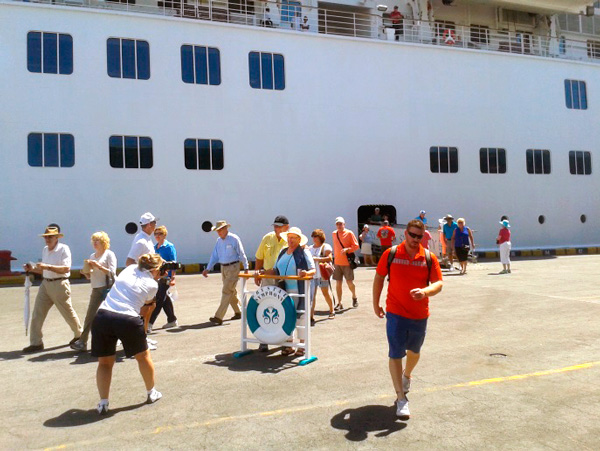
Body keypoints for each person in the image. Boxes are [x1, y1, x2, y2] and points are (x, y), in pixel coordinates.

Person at [372, 219, 443, 419]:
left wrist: (425, 291)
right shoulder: (391, 254)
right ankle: (401, 398)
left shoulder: (428, 258)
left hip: (419, 315)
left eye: (419, 236)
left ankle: (407, 375)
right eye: (412, 235)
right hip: (395, 312)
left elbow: (438, 284)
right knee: (395, 353)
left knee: (414, 352)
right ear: (406, 234)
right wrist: (375, 303)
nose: (415, 239)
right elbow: (378, 278)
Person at [91, 253, 164, 415]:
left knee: (104, 363)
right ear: (155, 270)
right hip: (128, 319)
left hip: (103, 315)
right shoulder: (152, 284)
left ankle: (103, 402)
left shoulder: (128, 269)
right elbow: (145, 308)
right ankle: (151, 392)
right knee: (143, 357)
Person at [23, 226, 82, 353]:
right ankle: (36, 342)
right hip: (46, 284)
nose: (47, 239)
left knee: (67, 313)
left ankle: (79, 335)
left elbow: (66, 268)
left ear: (57, 238)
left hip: (59, 284)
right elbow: (43, 269)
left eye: (50, 237)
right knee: (37, 313)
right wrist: (31, 268)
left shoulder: (64, 249)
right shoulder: (45, 250)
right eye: (45, 237)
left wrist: (47, 266)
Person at [268, 227, 315, 356]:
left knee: (300, 316)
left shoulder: (304, 251)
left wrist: (306, 273)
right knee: (285, 315)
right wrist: (263, 271)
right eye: (289, 238)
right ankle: (289, 343)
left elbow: (313, 269)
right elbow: (275, 269)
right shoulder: (283, 252)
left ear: (299, 239)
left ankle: (302, 345)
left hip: (299, 289)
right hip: (283, 289)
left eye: (293, 238)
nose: (290, 240)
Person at [71, 232, 117, 352]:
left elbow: (112, 272)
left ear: (103, 242)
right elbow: (91, 275)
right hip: (96, 288)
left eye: (97, 240)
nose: (95, 243)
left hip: (109, 287)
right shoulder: (92, 255)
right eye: (93, 240)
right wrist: (86, 272)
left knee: (112, 316)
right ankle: (83, 341)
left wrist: (98, 265)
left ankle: (116, 339)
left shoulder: (109, 254)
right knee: (90, 315)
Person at [254, 215, 289, 352]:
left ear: (287, 227)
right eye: (275, 226)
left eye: (279, 226)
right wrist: (257, 272)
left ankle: (286, 342)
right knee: (264, 306)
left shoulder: (291, 240)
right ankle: (264, 340)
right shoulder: (267, 237)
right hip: (267, 278)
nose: (276, 229)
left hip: (283, 279)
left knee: (284, 310)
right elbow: (259, 257)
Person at [203, 220, 249, 325]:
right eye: (217, 230)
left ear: (226, 229)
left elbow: (241, 253)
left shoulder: (234, 239)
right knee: (231, 291)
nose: (219, 232)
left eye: (220, 230)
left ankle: (219, 316)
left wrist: (246, 268)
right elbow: (214, 256)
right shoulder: (218, 241)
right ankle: (239, 312)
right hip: (223, 268)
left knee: (226, 291)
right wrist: (208, 268)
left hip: (233, 267)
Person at [148, 226, 178, 332]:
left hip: (167, 276)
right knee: (164, 298)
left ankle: (150, 323)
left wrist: (173, 277)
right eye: (155, 234)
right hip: (157, 276)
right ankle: (172, 320)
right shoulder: (154, 247)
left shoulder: (169, 247)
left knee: (159, 299)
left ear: (164, 235)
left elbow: (174, 263)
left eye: (159, 234)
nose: (157, 236)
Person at [332, 217, 360, 310]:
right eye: (337, 224)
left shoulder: (349, 233)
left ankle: (354, 296)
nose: (339, 226)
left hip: (347, 263)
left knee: (349, 283)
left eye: (340, 224)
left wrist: (348, 249)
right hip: (337, 262)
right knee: (338, 283)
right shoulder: (334, 233)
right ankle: (339, 303)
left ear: (344, 224)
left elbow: (356, 246)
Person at [308, 229, 335, 324]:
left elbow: (330, 258)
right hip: (313, 274)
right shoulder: (310, 248)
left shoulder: (325, 246)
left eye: (315, 236)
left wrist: (317, 259)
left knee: (325, 293)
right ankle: (311, 316)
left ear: (320, 237)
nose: (314, 238)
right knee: (312, 295)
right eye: (313, 236)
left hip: (322, 274)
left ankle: (332, 310)